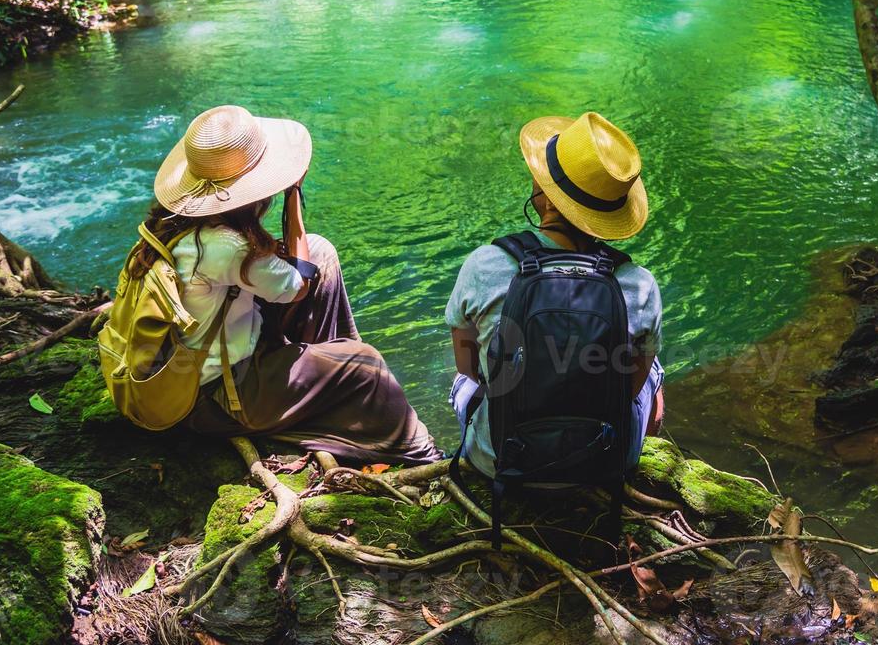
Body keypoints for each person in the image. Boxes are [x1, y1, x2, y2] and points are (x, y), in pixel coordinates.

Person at [128, 104, 438, 466]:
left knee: (320, 252)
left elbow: (297, 265)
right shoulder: (224, 246)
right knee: (365, 364)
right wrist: (293, 198)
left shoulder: (174, 224)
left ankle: (326, 388)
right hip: (218, 399)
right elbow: (299, 285)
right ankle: (426, 458)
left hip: (202, 368)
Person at [445, 111, 665, 480]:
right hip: (603, 464)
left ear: (547, 201)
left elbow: (469, 369)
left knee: (465, 378)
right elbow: (628, 389)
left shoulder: (484, 265)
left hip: (500, 460)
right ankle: (633, 466)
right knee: (653, 369)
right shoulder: (639, 284)